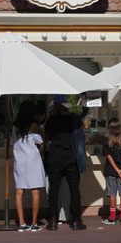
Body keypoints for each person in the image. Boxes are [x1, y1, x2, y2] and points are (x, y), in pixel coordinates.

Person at [44, 95, 87, 231]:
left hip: (55, 157)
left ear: (57, 105)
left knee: (54, 190)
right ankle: (75, 220)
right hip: (71, 158)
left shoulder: (52, 119)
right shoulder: (75, 119)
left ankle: (52, 220)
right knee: (74, 190)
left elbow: (47, 137)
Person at [10, 100, 45, 232]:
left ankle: (22, 223)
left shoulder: (15, 127)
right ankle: (34, 223)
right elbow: (41, 143)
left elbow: (13, 144)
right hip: (33, 161)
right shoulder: (34, 125)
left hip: (20, 161)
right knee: (35, 191)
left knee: (19, 192)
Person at [101, 118, 121, 225]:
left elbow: (109, 158)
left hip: (111, 171)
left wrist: (117, 170)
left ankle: (112, 217)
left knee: (112, 194)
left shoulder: (106, 142)